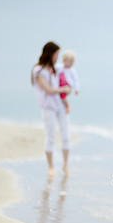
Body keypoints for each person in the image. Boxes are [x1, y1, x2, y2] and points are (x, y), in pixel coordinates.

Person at [31, 41, 71, 177]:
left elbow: (65, 74)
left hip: (60, 106)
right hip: (48, 107)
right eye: (56, 54)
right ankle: (51, 167)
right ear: (50, 54)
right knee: (51, 137)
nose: (57, 57)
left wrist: (66, 100)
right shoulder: (38, 71)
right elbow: (48, 89)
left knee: (66, 136)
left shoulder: (55, 69)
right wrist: (64, 89)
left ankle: (65, 165)